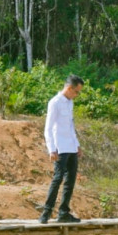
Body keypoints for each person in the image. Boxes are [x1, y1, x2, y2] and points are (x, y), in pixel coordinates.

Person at [40, 75, 84, 224]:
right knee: (58, 178)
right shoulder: (55, 102)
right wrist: (51, 149)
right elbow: (48, 128)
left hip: (71, 146)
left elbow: (70, 125)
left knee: (70, 180)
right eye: (76, 92)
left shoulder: (70, 103)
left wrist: (76, 144)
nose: (77, 95)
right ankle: (46, 212)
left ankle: (64, 212)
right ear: (69, 88)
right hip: (60, 147)